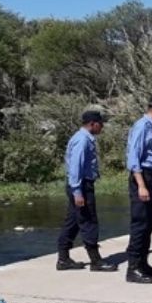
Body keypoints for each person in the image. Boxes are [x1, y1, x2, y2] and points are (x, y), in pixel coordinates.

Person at [56, 110, 117, 272]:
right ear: (92, 124)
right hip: (81, 185)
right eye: (100, 124)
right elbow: (76, 167)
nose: (102, 127)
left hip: (80, 184)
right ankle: (95, 261)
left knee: (73, 222)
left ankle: (63, 258)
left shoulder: (82, 138)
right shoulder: (82, 140)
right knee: (89, 220)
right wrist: (77, 192)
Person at [124, 95, 152, 284]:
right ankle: (133, 268)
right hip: (141, 177)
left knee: (149, 223)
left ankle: (143, 263)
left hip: (151, 176)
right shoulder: (142, 126)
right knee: (140, 224)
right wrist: (141, 185)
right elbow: (134, 157)